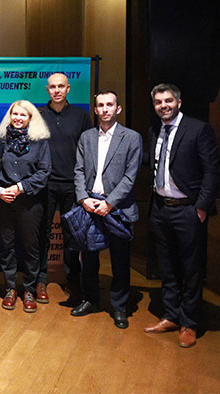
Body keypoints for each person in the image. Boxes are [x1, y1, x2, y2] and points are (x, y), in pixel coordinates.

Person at [144, 83, 219, 348]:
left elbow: (212, 171)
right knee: (167, 267)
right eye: (158, 102)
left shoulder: (198, 129)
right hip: (161, 209)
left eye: (168, 101)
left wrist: (201, 207)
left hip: (188, 210)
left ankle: (189, 323)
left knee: (191, 269)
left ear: (178, 101)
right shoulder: (155, 129)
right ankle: (171, 315)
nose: (163, 105)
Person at [71, 90, 142, 329]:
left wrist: (109, 203)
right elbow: (79, 170)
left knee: (120, 260)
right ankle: (90, 299)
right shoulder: (86, 137)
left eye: (109, 104)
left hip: (118, 208)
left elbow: (130, 177)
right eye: (100, 105)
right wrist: (82, 198)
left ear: (118, 108)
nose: (105, 109)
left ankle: (120, 307)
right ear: (95, 109)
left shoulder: (132, 138)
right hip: (90, 205)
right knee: (88, 259)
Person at [0, 100, 51, 313]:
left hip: (31, 203)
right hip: (5, 202)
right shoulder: (2, 141)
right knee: (7, 247)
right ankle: (10, 288)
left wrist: (20, 188)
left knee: (31, 248)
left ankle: (29, 290)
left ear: (30, 119)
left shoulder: (40, 142)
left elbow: (44, 173)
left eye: (23, 115)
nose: (18, 118)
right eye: (15, 114)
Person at [37, 73, 91, 304]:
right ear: (47, 89)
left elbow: (89, 151)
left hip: (72, 185)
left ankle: (73, 281)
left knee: (72, 237)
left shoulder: (81, 115)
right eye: (52, 87)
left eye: (61, 86)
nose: (57, 90)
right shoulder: (38, 114)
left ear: (68, 88)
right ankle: (39, 281)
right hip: (45, 184)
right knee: (42, 235)